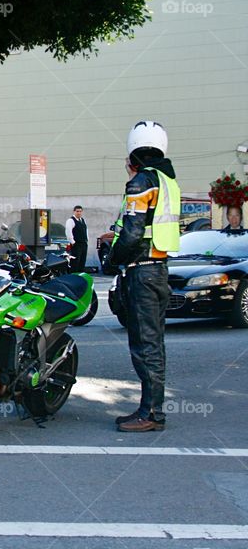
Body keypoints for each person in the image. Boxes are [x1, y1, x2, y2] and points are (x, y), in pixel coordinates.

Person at [108, 120, 180, 433]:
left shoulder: (141, 182)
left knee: (144, 346)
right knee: (154, 343)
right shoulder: (168, 181)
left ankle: (151, 413)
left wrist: (113, 259)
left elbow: (132, 233)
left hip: (141, 272)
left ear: (133, 155)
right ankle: (150, 409)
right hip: (159, 270)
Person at [65, 205, 89, 273]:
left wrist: (87, 239)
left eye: (80, 211)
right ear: (74, 211)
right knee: (75, 262)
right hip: (76, 244)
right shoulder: (71, 220)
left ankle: (80, 275)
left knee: (82, 261)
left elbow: (86, 230)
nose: (79, 213)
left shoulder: (83, 220)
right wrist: (73, 242)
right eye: (77, 211)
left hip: (84, 243)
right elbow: (68, 232)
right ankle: (74, 275)